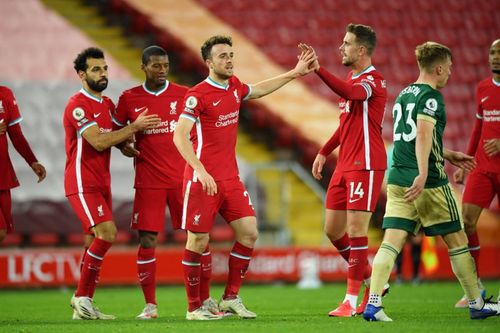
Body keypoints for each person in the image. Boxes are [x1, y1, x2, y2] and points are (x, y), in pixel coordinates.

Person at [173, 35, 316, 320]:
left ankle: (230, 298)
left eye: (230, 55)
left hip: (230, 179)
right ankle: (194, 308)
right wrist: (200, 170)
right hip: (203, 180)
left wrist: (294, 73)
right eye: (222, 56)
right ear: (208, 62)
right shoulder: (196, 95)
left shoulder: (235, 87)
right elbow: (179, 136)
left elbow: (259, 90)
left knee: (249, 232)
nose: (229, 60)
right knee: (198, 241)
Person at [363, 41, 499, 322]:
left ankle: (373, 305)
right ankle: (476, 302)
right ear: (438, 68)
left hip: (398, 179)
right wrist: (424, 173)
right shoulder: (431, 97)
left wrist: (450, 154)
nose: (450, 73)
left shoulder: (404, 93)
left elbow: (410, 138)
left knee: (390, 243)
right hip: (427, 182)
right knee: (458, 240)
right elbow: (423, 135)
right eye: (448, 68)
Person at [64, 47, 160, 320]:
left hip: (101, 182)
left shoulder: (106, 105)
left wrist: (124, 148)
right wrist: (133, 128)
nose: (103, 73)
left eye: (104, 68)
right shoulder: (77, 105)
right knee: (107, 233)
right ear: (82, 74)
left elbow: (111, 139)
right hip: (82, 182)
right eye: (96, 69)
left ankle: (84, 304)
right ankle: (82, 298)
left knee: (92, 239)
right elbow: (97, 140)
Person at [114, 45, 207, 320]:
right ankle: (150, 305)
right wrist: (124, 146)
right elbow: (116, 134)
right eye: (156, 66)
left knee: (198, 236)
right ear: (143, 67)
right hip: (149, 179)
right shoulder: (129, 98)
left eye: (165, 65)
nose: (162, 70)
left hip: (182, 178)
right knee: (148, 238)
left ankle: (203, 301)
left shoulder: (184, 94)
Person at [304, 23, 388, 317]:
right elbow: (345, 126)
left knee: (355, 231)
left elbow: (351, 92)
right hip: (344, 165)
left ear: (362, 50)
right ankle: (370, 278)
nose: (342, 47)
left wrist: (318, 69)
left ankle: (351, 301)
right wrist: (324, 151)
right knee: (332, 230)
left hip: (366, 164)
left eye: (347, 43)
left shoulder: (373, 82)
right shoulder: (353, 80)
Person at [453, 39, 500, 308]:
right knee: (467, 222)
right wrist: (465, 163)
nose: (495, 57)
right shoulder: (482, 88)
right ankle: (476, 287)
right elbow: (477, 128)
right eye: (492, 52)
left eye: (499, 53)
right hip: (482, 167)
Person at [0, 86, 46, 244]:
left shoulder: (5, 93)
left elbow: (16, 134)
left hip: (2, 175)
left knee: (2, 231)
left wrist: (32, 161)